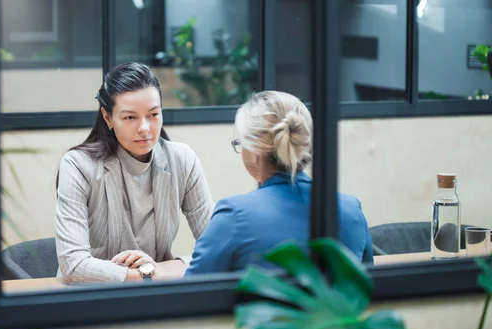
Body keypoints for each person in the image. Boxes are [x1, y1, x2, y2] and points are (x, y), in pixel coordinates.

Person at [55, 62, 215, 283]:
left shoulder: (182, 160)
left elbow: (218, 248)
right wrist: (146, 274)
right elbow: (73, 266)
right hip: (90, 296)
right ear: (108, 117)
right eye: (130, 117)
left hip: (154, 295)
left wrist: (161, 268)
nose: (145, 128)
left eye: (153, 115)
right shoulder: (78, 166)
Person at [185, 90, 373, 275]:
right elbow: (364, 287)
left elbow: (191, 294)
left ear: (255, 150)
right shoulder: (351, 209)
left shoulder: (233, 215)